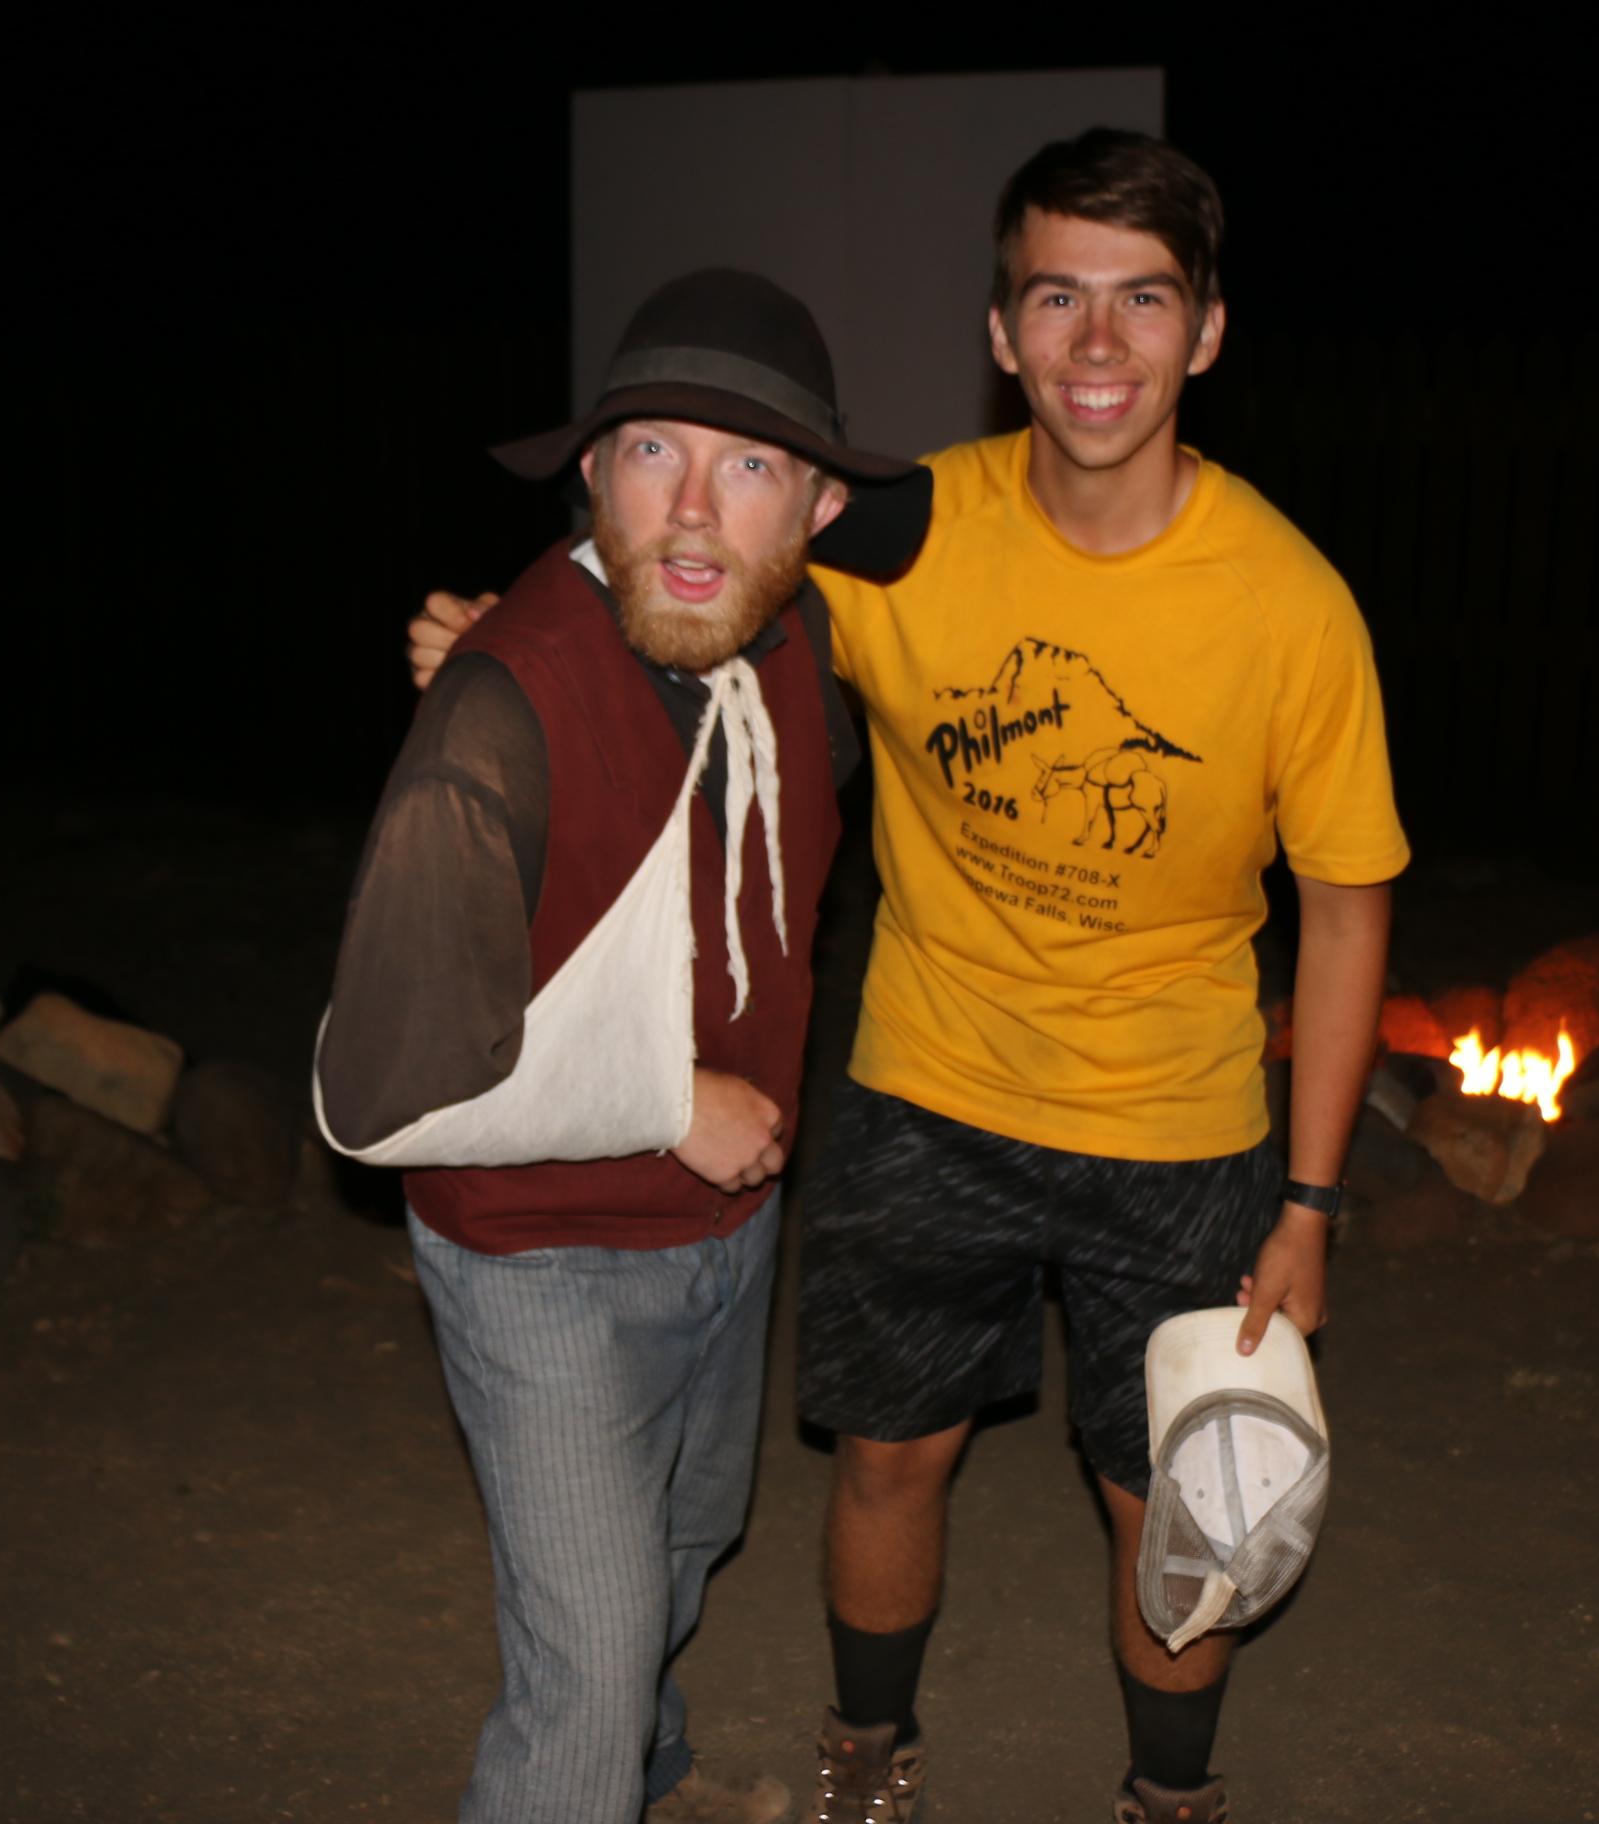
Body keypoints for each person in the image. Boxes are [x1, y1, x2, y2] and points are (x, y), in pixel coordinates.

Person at [411, 130, 1405, 1824]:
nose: (1100, 344)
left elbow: (1347, 907)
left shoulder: (1293, 605)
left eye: (1145, 299)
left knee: (1171, 1493)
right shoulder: (902, 531)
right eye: (1059, 300)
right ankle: (867, 1754)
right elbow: (696, 565)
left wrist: (1309, 1200)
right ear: (1002, 333)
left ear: (1208, 332)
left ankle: (1169, 1796)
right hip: (925, 1089)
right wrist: (507, 647)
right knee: (887, 1453)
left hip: (1175, 1127)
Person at [321, 268, 931, 1824]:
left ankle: (643, 1769)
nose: (694, 511)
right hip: (538, 1256)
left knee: (683, 1542)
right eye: (656, 451)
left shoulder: (798, 646)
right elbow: (382, 1092)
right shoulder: (492, 726)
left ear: (817, 510)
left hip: (729, 1226)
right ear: (594, 473)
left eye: (750, 467)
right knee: (586, 1671)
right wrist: (663, 1098)